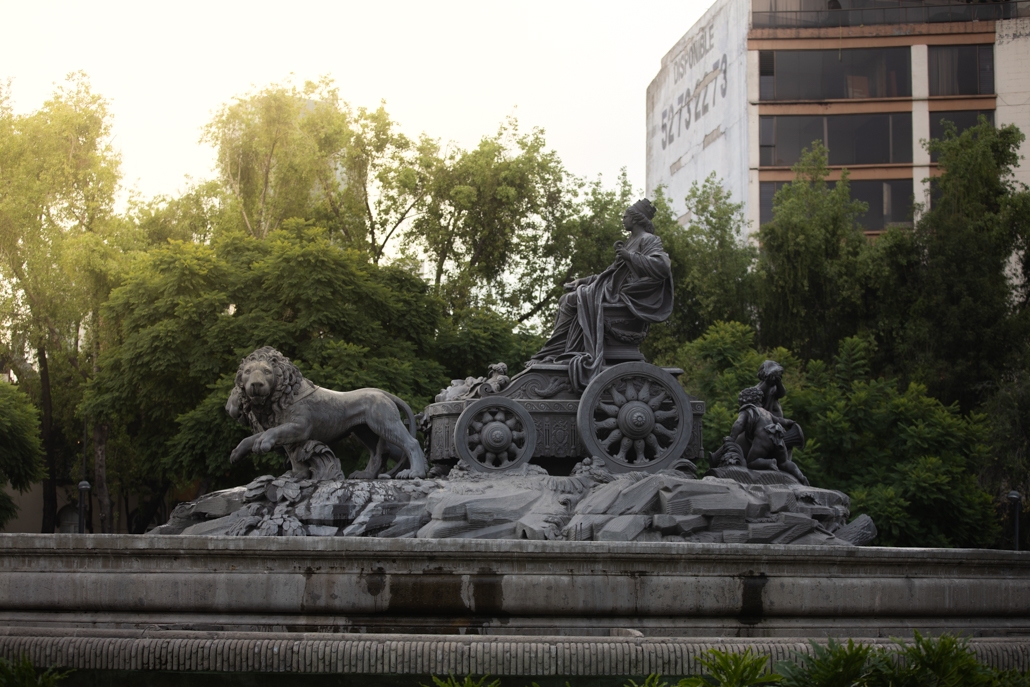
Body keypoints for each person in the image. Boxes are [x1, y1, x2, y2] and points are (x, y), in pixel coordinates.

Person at [529, 198, 673, 390]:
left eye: (625, 216)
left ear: (635, 219)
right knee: (569, 298)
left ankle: (553, 352)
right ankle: (554, 352)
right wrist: (583, 281)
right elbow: (610, 273)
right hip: (611, 289)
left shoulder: (649, 239)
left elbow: (661, 266)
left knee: (571, 300)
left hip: (626, 295)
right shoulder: (630, 242)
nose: (623, 219)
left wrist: (629, 256)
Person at [726, 386, 809, 485]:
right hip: (777, 436)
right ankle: (801, 477)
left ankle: (769, 462)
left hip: (763, 437)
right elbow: (779, 420)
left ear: (744, 401)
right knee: (784, 462)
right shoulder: (765, 412)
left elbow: (739, 424)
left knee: (751, 462)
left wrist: (732, 438)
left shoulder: (748, 410)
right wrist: (790, 422)